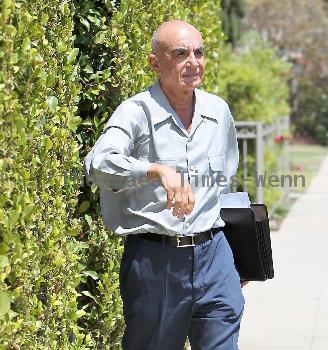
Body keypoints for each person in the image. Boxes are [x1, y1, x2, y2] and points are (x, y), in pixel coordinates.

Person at [84, 19, 246, 350]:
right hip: (155, 261)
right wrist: (154, 170)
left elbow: (222, 185)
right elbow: (97, 164)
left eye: (199, 52)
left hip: (214, 255)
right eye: (180, 53)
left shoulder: (219, 111)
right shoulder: (135, 112)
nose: (193, 62)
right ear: (155, 62)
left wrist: (235, 259)